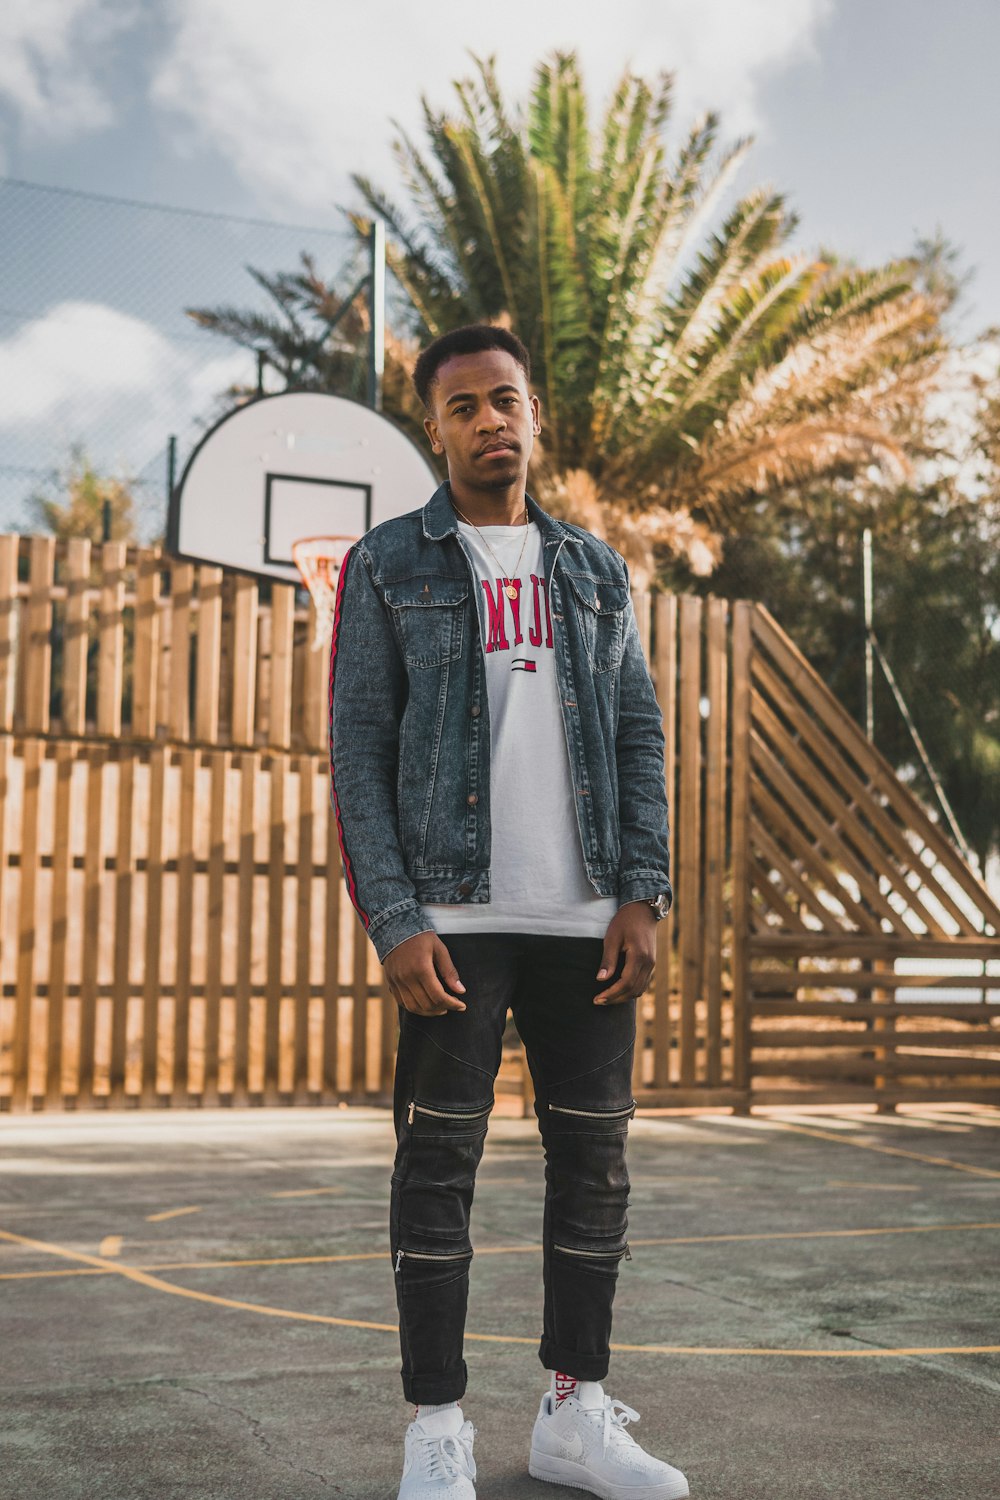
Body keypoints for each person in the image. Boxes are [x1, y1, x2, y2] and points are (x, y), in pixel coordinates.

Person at [328, 323, 688, 1500]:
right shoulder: (389, 564)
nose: (491, 420)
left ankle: (573, 1414)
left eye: (507, 400)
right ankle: (437, 1427)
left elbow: (637, 732)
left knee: (597, 1169)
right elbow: (356, 753)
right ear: (435, 428)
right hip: (452, 918)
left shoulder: (592, 570)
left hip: (584, 915)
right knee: (438, 1167)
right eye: (466, 406)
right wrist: (394, 918)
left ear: (535, 416)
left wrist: (643, 888)